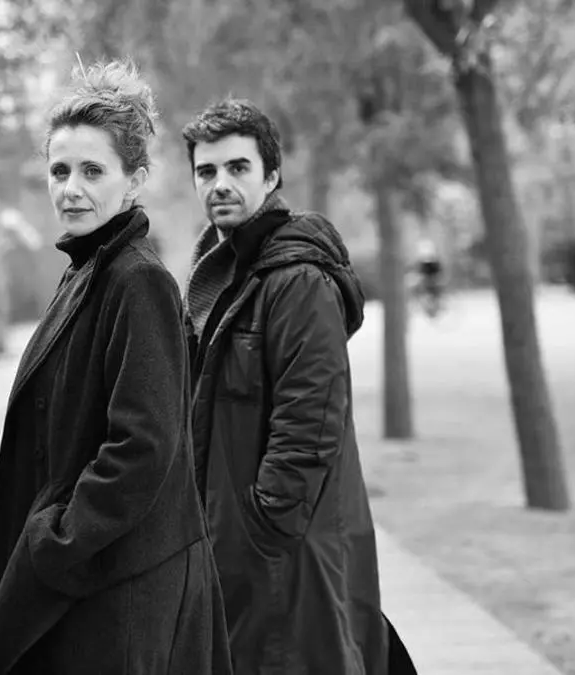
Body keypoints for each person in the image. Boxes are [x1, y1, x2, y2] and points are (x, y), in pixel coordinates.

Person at [0, 60, 232, 675]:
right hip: (93, 575)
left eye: (92, 171)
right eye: (60, 171)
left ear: (133, 181)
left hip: (122, 585)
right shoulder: (88, 271)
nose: (71, 189)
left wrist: (57, 539)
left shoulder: (137, 281)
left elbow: (144, 444)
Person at [182, 97, 408, 674]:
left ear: (272, 176)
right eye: (206, 171)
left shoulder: (297, 279)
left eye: (238, 167)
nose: (220, 184)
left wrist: (266, 523)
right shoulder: (216, 275)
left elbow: (310, 422)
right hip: (234, 541)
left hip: (287, 543)